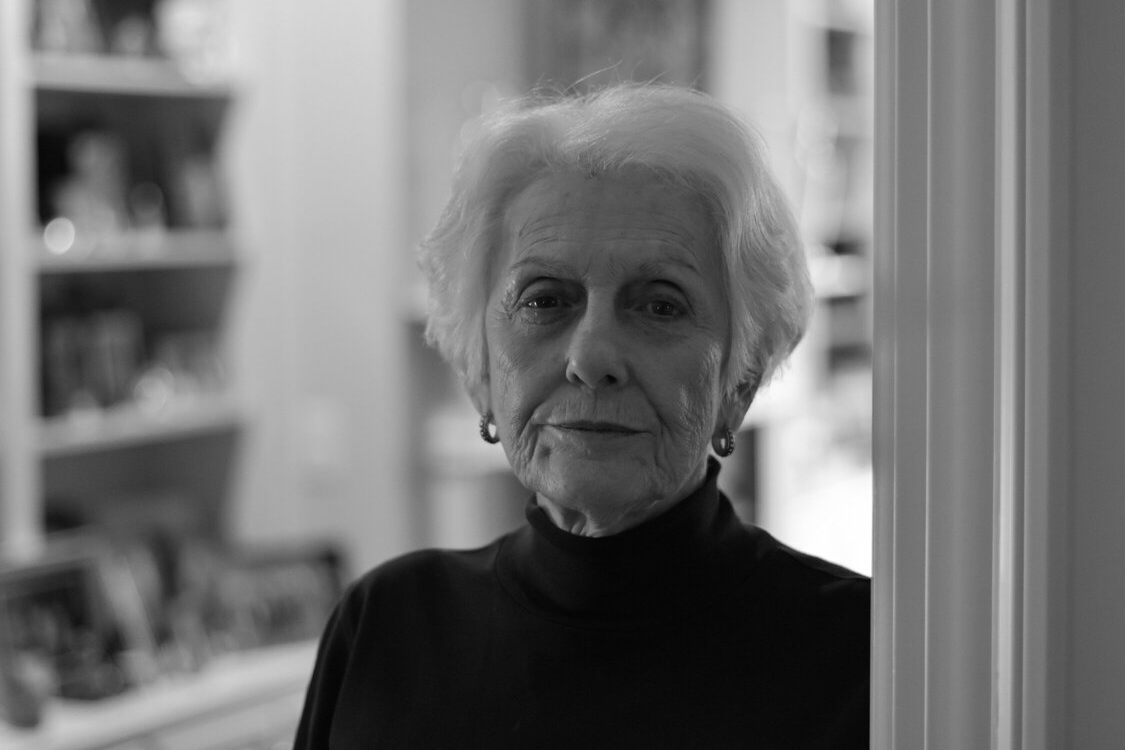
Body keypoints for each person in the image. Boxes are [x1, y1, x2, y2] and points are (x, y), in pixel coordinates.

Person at [293, 83, 869, 749]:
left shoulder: (862, 656)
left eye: (660, 305)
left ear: (738, 383)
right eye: (544, 301)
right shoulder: (384, 629)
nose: (592, 358)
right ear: (481, 371)